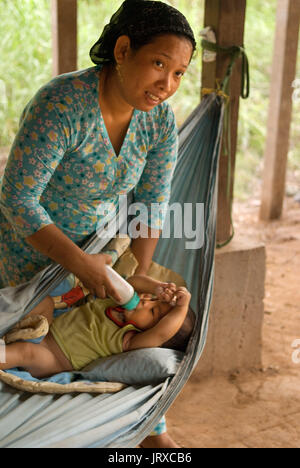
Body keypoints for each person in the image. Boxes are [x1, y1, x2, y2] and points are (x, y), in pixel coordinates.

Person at [0, 0, 196, 448]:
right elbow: (17, 199)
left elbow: (151, 203)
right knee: (36, 349)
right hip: (32, 254)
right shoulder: (63, 104)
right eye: (159, 64)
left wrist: (137, 270)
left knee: (115, 334)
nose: (167, 85)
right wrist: (82, 266)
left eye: (179, 73)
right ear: (123, 50)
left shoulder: (158, 121)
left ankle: (148, 430)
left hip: (102, 247)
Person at [0, 276, 194, 379]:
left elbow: (161, 333)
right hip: (46, 330)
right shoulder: (117, 300)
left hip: (54, 360)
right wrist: (158, 287)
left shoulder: (129, 338)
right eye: (153, 299)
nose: (146, 301)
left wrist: (182, 308)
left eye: (153, 311)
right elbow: (133, 281)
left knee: (24, 351)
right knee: (44, 301)